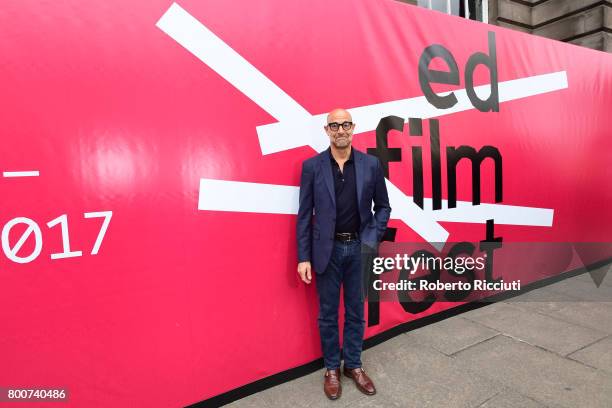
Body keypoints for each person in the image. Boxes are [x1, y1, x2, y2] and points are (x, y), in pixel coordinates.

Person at [296, 108, 391, 400]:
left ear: (353, 128)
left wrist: (370, 240)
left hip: (358, 249)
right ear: (327, 130)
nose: (340, 130)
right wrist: (303, 256)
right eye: (334, 125)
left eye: (345, 124)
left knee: (354, 312)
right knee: (326, 315)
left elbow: (383, 207)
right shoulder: (312, 167)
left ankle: (353, 365)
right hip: (327, 251)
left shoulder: (371, 165)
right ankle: (331, 370)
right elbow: (304, 216)